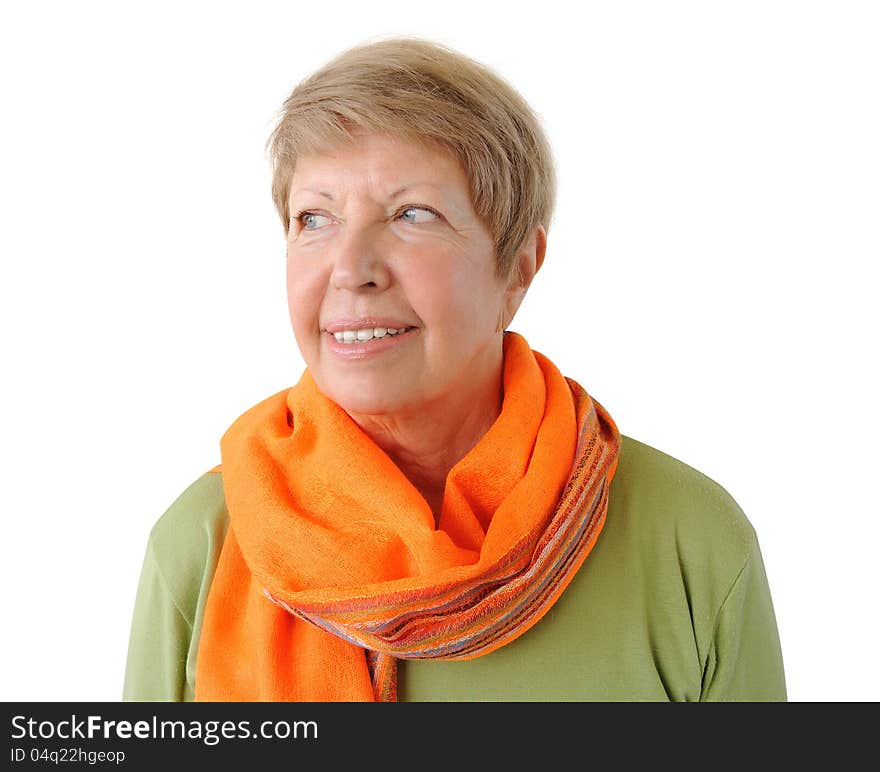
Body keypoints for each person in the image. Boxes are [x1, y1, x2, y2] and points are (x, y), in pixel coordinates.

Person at [122, 37, 786, 702]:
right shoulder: (202, 545)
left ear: (517, 269)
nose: (351, 269)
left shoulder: (689, 543)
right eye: (314, 218)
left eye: (413, 214)